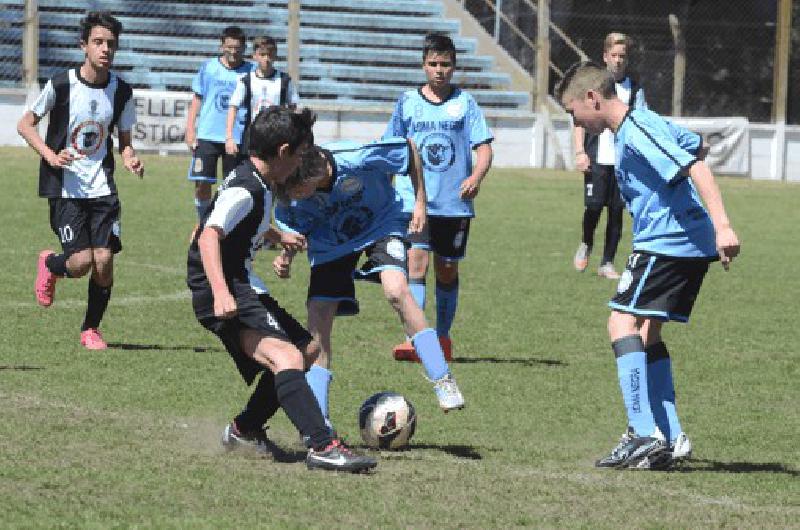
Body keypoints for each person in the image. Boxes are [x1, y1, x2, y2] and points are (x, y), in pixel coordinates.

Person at [555, 62, 740, 469]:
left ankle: (643, 433)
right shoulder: (645, 123)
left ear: (592, 99)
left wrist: (723, 225)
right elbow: (696, 147)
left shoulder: (636, 130)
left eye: (573, 114)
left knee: (619, 323)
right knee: (646, 331)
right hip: (686, 243)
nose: (576, 123)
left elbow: (695, 165)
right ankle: (671, 436)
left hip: (667, 242)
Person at [187, 106, 376, 473]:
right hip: (225, 288)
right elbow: (208, 235)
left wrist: (276, 234)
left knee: (306, 350)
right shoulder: (245, 189)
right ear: (284, 150)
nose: (302, 164)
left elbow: (242, 223)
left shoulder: (258, 181)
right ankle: (323, 445)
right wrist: (222, 293)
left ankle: (244, 430)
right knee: (286, 357)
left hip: (241, 283)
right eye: (301, 154)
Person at [272, 137, 466, 433]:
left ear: (315, 174)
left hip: (381, 225)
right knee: (318, 317)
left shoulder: (356, 157)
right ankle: (319, 424)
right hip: (331, 243)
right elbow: (293, 224)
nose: (294, 196)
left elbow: (409, 149)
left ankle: (442, 379)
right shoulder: (292, 192)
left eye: (298, 189)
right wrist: (286, 256)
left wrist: (420, 203)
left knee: (396, 291)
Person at [19, 11, 144, 350]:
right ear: (84, 46)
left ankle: (91, 329)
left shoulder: (121, 92)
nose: (105, 49)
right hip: (65, 187)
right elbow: (25, 124)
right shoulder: (61, 84)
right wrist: (50, 155)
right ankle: (50, 263)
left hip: (103, 186)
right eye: (98, 42)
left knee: (104, 260)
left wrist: (130, 156)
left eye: (111, 44)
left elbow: (125, 140)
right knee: (80, 263)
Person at [383, 32, 493, 363]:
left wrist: (476, 176)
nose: (439, 70)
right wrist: (385, 189)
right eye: (433, 64)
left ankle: (442, 337)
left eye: (445, 64)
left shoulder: (466, 104)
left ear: (454, 66)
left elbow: (484, 148)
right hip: (414, 199)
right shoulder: (407, 102)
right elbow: (391, 148)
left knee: (446, 269)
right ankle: (418, 338)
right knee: (416, 264)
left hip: (453, 203)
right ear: (423, 65)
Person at [572, 32, 648, 280]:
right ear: (605, 57)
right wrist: (581, 152)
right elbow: (578, 121)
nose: (617, 60)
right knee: (593, 207)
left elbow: (641, 122)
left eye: (622, 56)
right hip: (596, 159)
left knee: (616, 212)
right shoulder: (592, 86)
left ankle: (607, 263)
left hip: (623, 163)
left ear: (627, 60)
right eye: (613, 55)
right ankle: (586, 242)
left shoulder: (634, 89)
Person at [185, 26, 254, 224]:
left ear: (244, 48)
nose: (233, 52)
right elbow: (197, 99)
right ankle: (203, 222)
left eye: (238, 48)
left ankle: (226, 224)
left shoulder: (250, 72)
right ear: (222, 45)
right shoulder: (208, 68)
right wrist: (190, 130)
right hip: (207, 134)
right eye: (229, 47)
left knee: (233, 187)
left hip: (236, 137)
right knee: (202, 184)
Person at [226, 35, 299, 158]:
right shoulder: (246, 80)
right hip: (252, 137)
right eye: (263, 55)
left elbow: (293, 109)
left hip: (278, 137)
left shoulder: (284, 80)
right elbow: (233, 107)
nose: (267, 59)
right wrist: (229, 137)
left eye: (270, 55)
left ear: (275, 56)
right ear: (255, 56)